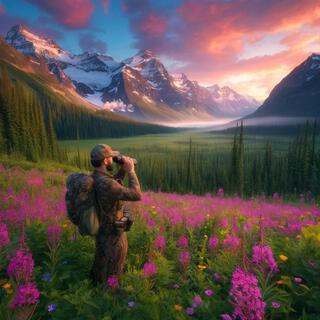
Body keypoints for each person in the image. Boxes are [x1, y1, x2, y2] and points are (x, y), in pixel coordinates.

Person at [89, 143, 142, 286]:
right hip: (113, 233)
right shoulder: (107, 184)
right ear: (105, 161)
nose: (113, 160)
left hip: (101, 229)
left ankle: (94, 288)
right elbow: (136, 195)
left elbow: (112, 185)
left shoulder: (95, 177)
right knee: (115, 268)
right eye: (111, 157)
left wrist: (122, 171)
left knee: (100, 262)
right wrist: (131, 171)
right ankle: (112, 298)